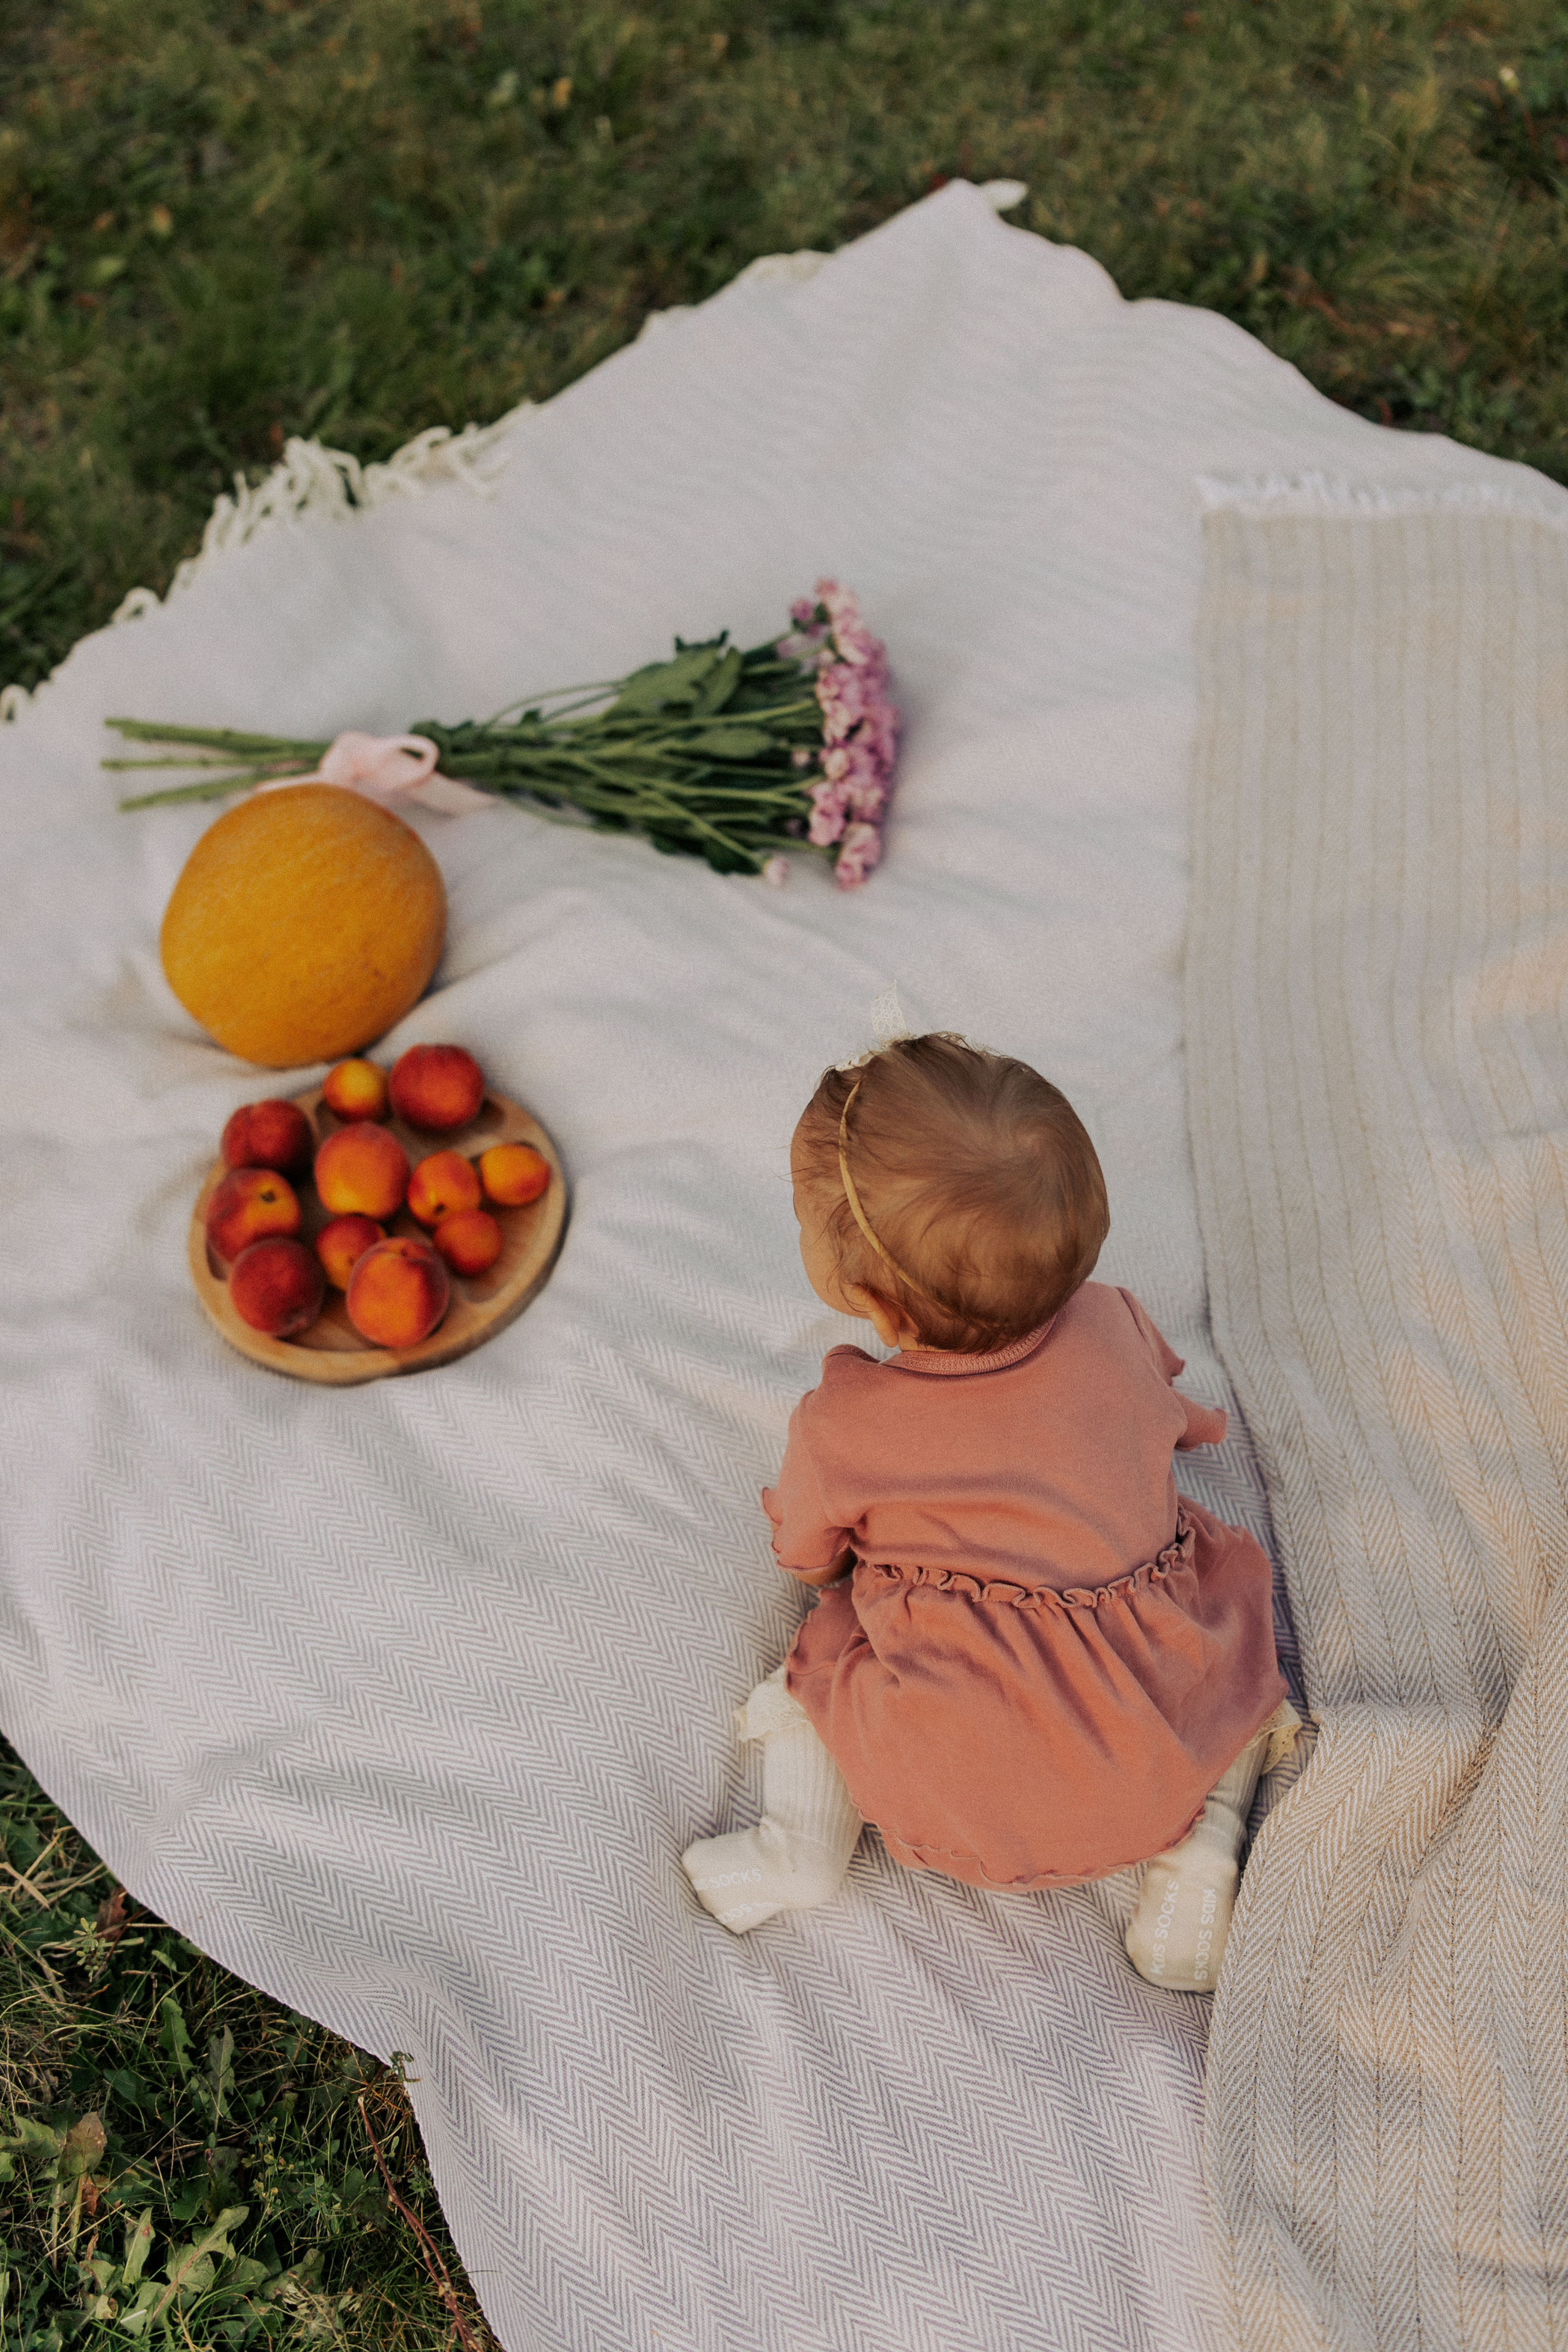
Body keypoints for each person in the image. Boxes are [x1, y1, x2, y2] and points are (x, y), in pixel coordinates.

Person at [680, 1031, 1298, 1991]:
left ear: (880, 1312)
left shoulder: (848, 1422)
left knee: (821, 1664)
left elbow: (806, 1549)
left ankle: (797, 1848)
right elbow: (1172, 1414)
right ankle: (1197, 1854)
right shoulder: (1113, 1322)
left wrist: (827, 1575)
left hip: (949, 1778)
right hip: (1141, 1762)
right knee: (1230, 1643)